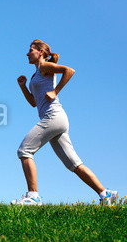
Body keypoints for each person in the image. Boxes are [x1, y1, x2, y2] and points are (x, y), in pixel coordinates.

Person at [12, 39, 118, 206]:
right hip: (56, 120)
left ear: (41, 53)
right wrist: (23, 86)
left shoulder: (45, 67)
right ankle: (105, 194)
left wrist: (55, 91)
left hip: (53, 117)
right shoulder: (36, 74)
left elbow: (69, 70)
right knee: (73, 164)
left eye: (31, 50)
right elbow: (34, 102)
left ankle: (33, 196)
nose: (27, 53)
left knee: (24, 151)